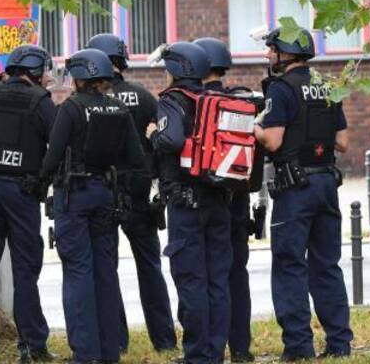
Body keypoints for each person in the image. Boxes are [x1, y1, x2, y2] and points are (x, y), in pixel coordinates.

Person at [252, 27, 353, 361]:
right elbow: (342, 142)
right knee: (326, 266)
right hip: (327, 182)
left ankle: (298, 347)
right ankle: (339, 344)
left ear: (285, 53)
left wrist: (253, 126)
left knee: (290, 266)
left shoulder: (281, 90)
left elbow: (274, 141)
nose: (268, 56)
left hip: (295, 190)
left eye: (271, 50)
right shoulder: (327, 85)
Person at [41, 48, 146, 364]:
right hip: (105, 194)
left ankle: (85, 354)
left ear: (79, 77)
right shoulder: (118, 110)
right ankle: (110, 350)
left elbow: (54, 154)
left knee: (78, 273)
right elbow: (136, 160)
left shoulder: (71, 109)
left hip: (73, 196)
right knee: (105, 272)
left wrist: (38, 185)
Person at [0, 44, 57, 363]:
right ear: (34, 71)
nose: (47, 78)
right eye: (44, 71)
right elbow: (58, 146)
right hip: (22, 193)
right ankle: (33, 346)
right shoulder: (41, 102)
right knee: (25, 270)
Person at [86, 33, 176, 354]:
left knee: (106, 271)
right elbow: (162, 143)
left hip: (106, 192)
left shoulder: (91, 103)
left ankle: (117, 342)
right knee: (150, 267)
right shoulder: (143, 96)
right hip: (140, 192)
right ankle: (164, 341)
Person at [149, 41, 231, 364]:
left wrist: (153, 133)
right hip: (218, 199)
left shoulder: (173, 101)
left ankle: (197, 355)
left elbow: (171, 140)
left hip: (186, 204)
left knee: (191, 280)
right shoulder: (215, 99)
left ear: (178, 70)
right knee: (217, 280)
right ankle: (215, 351)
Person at [194, 37, 253, 363]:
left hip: (208, 198)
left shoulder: (199, 102)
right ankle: (241, 347)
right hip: (239, 199)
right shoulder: (242, 100)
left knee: (208, 277)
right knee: (236, 274)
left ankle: (209, 348)